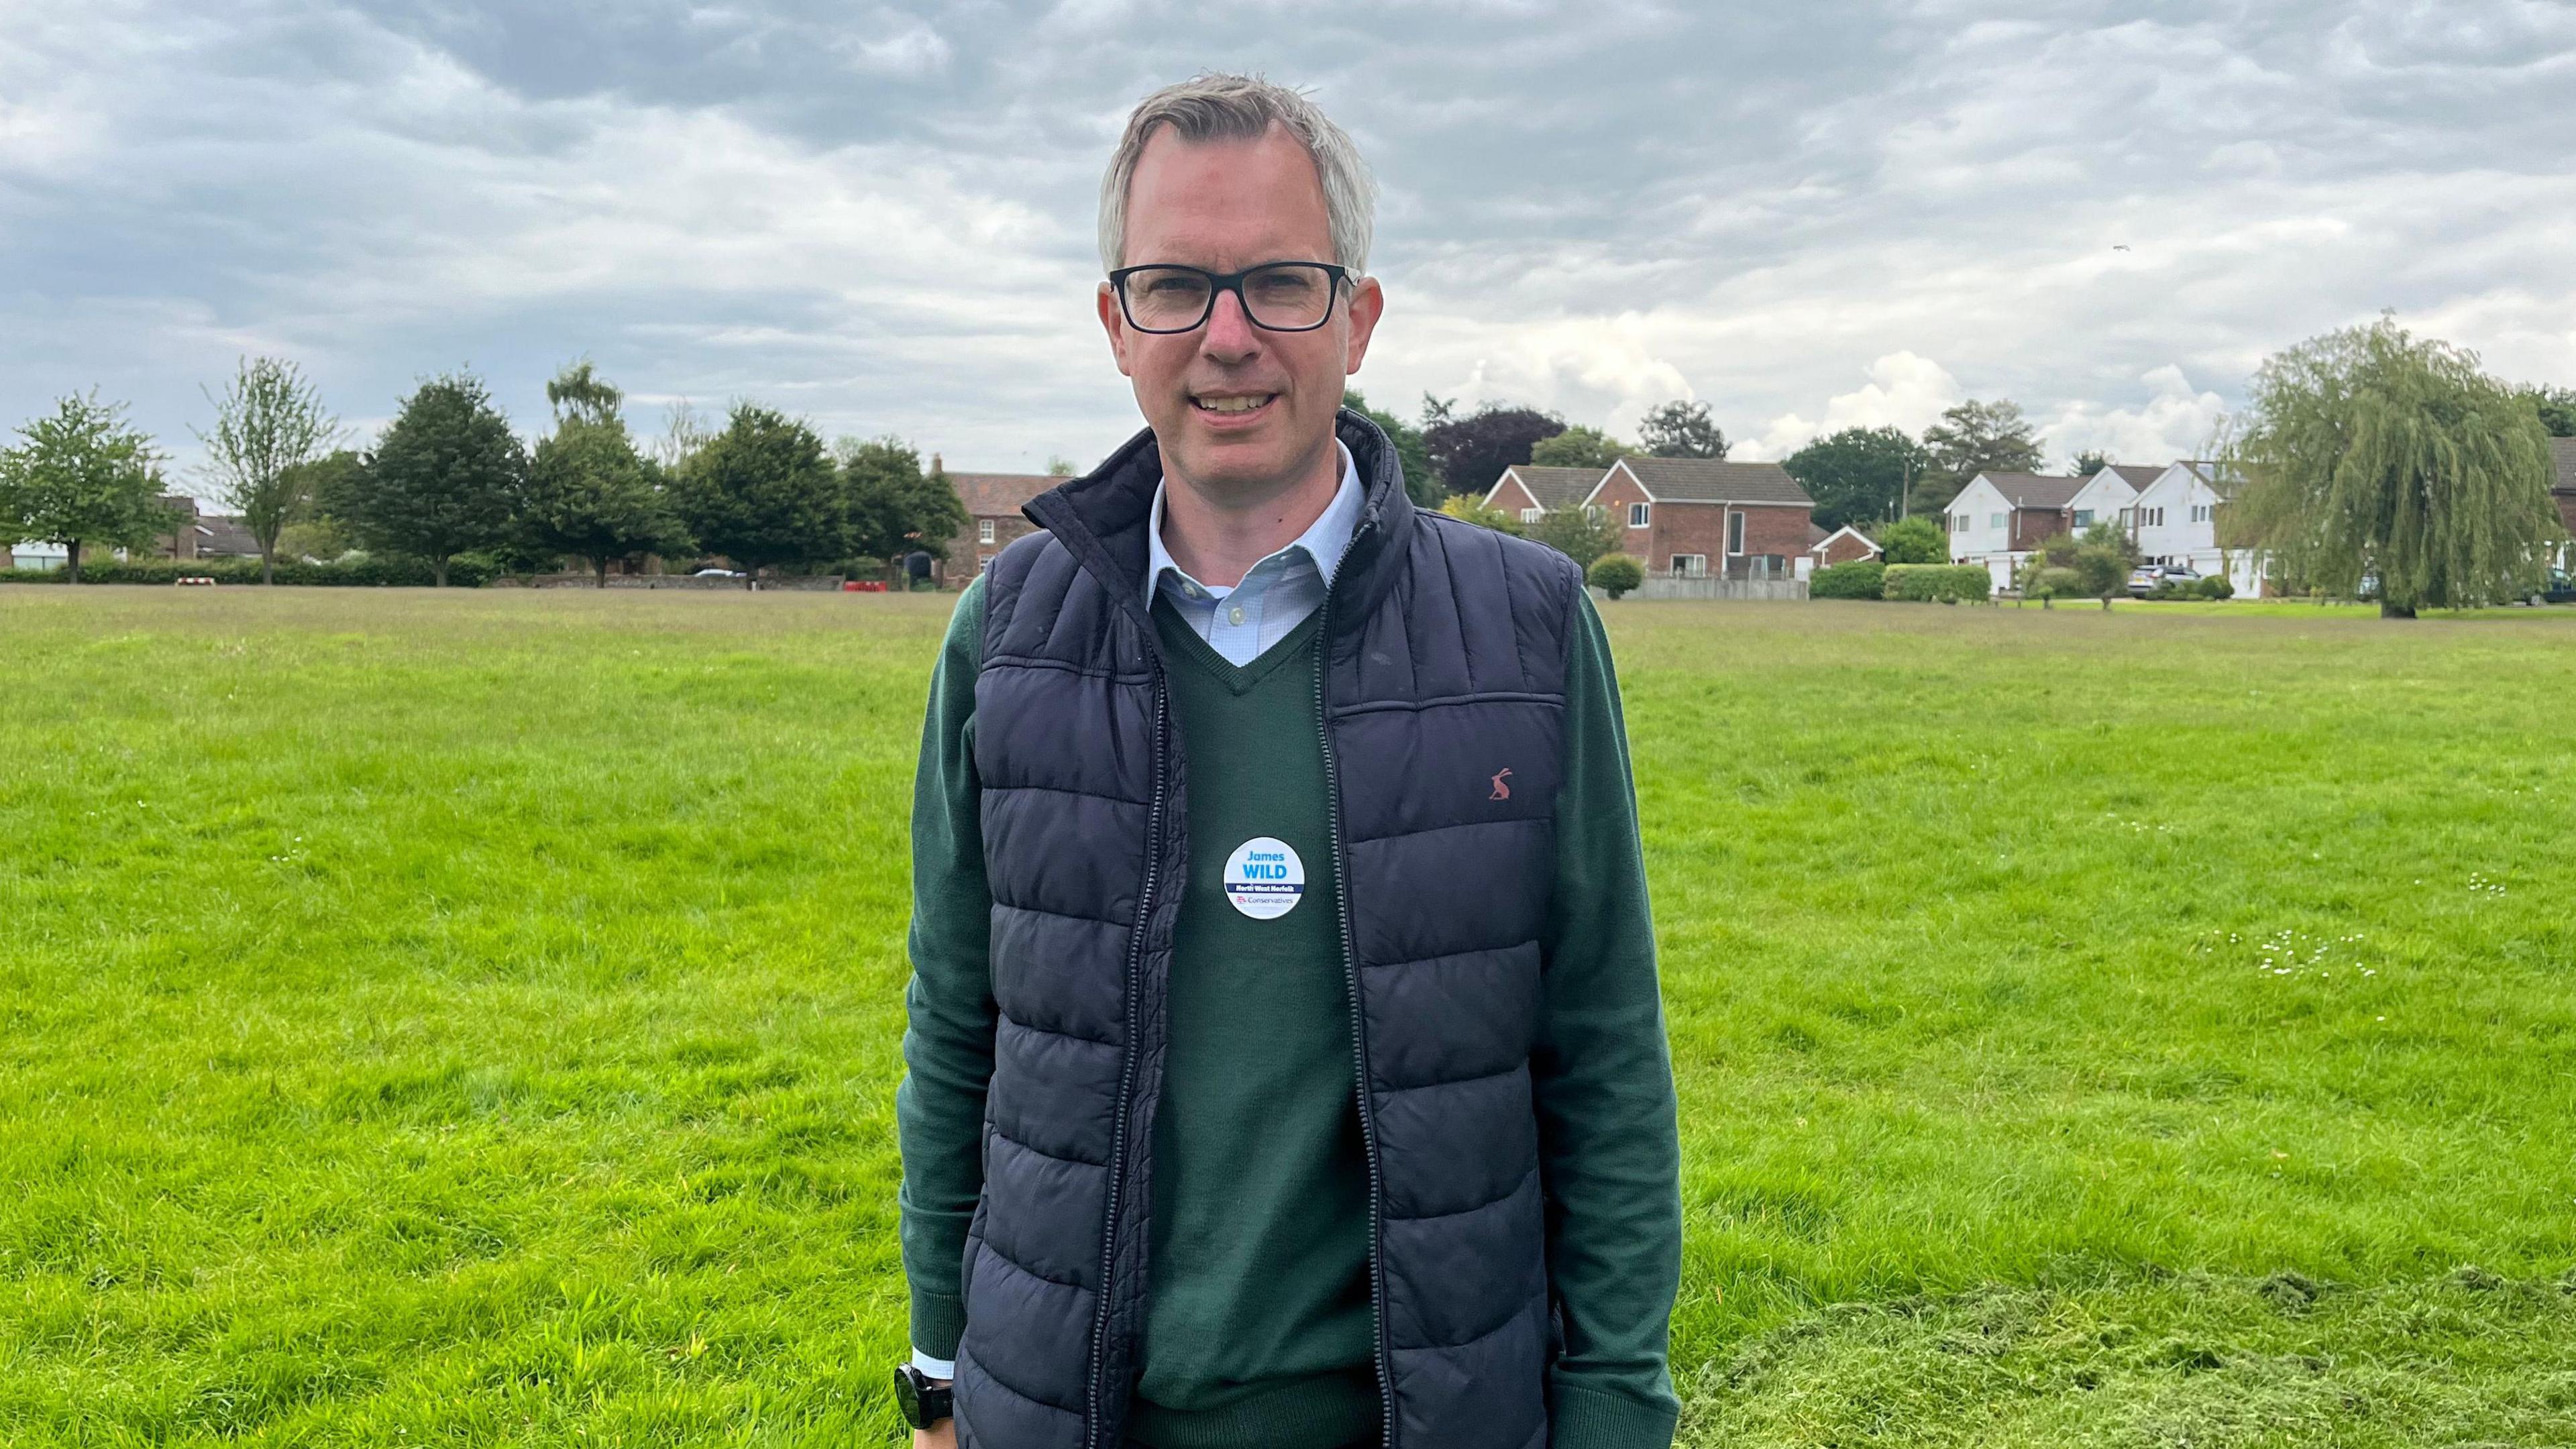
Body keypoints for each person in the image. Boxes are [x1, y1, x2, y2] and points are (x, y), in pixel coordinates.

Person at [895, 74, 1680, 1449]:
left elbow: (1604, 1055)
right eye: (1174, 287)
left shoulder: (1531, 629)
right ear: (1114, 324)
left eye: (1281, 283)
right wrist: (942, 1380)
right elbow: (961, 1033)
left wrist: (1614, 1403)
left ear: (1360, 319)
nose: (1228, 337)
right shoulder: (1003, 636)